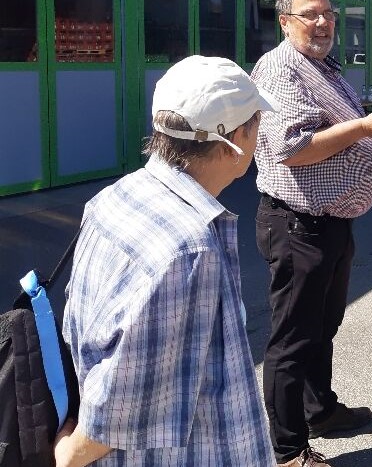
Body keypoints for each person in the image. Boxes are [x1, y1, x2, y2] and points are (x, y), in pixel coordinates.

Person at [57, 56, 279, 467]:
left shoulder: (115, 196)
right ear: (236, 139)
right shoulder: (188, 249)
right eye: (256, 125)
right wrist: (68, 455)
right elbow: (122, 406)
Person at [251, 0, 372, 467]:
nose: (322, 23)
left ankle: (319, 411)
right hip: (297, 224)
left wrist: (365, 124)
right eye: (309, 15)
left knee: (323, 326)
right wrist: (364, 128)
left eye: (328, 14)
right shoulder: (281, 69)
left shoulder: (319, 65)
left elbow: (328, 126)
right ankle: (287, 450)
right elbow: (295, 149)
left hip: (329, 222)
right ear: (284, 21)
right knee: (293, 338)